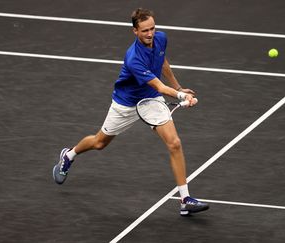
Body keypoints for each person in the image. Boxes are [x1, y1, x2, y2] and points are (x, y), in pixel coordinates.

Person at [53, 8, 209, 216]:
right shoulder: (133, 57)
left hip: (150, 99)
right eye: (145, 30)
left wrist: (179, 88)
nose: (150, 34)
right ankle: (69, 155)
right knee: (99, 143)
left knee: (175, 143)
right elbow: (160, 88)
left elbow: (162, 63)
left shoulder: (161, 38)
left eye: (152, 28)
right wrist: (181, 97)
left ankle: (185, 199)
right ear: (135, 31)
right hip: (125, 103)